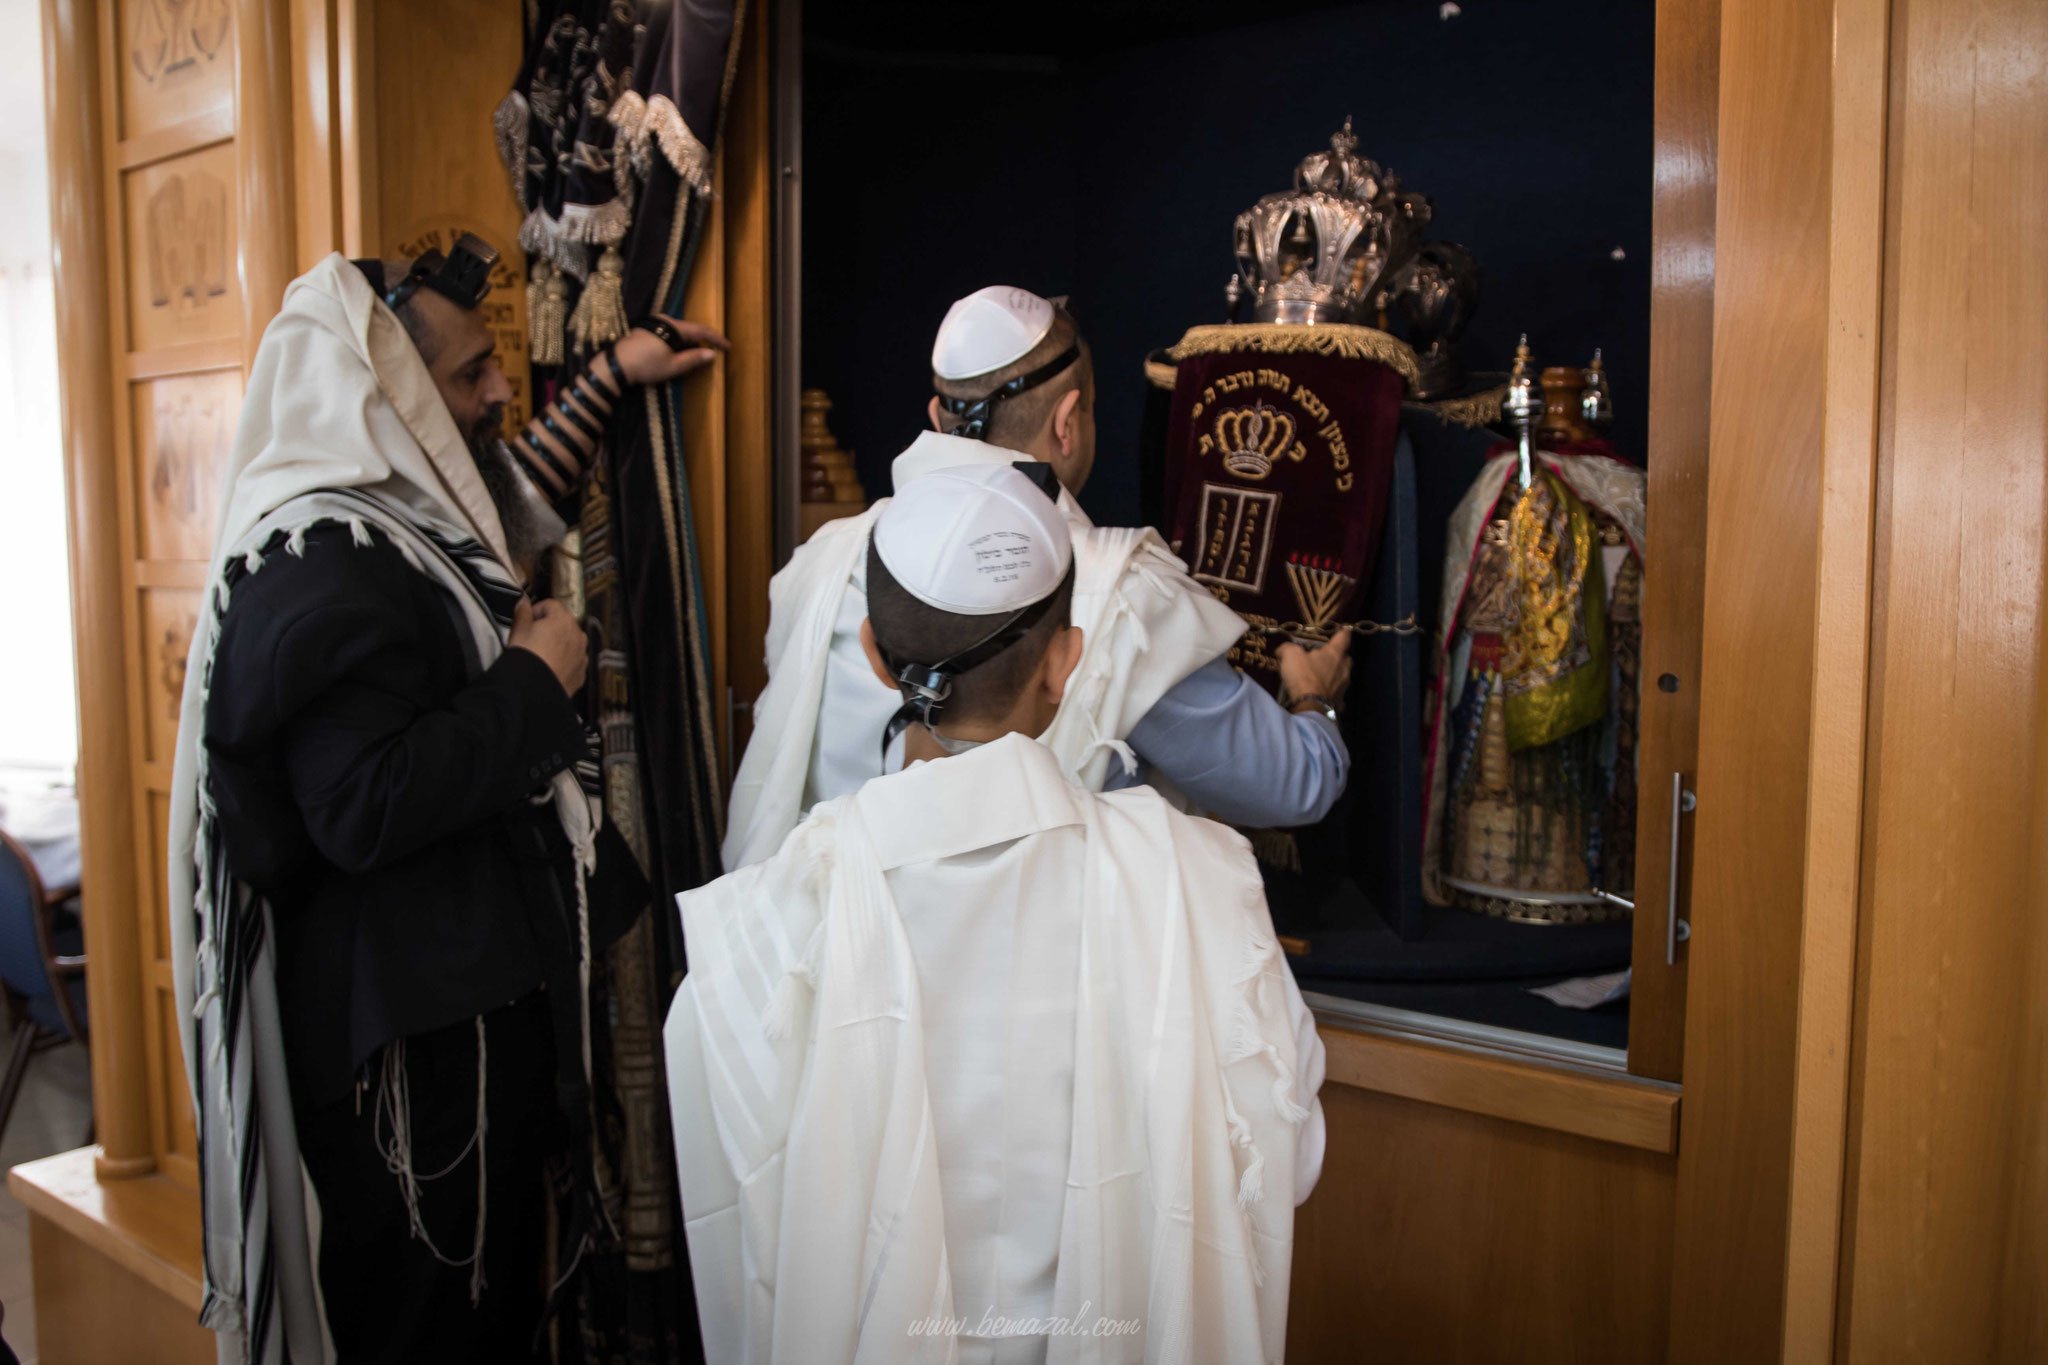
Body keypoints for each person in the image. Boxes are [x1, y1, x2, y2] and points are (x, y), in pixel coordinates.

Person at [165, 239, 724, 1363]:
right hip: (416, 1079)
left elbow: (502, 504)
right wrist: (534, 683)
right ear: (387, 394)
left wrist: (612, 374)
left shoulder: (392, 530)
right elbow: (359, 804)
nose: (499, 389)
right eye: (471, 374)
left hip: (444, 1036)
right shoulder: (326, 558)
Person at [666, 464, 1326, 1364]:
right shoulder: (1197, 882)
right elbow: (1289, 1152)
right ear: (1064, 663)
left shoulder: (766, 924)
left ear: (873, 654)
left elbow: (738, 1213)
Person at [723, 285, 1358, 871]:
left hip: (839, 942)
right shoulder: (1127, 598)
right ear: (1067, 420)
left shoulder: (823, 558)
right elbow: (1292, 784)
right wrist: (1314, 697)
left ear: (938, 416)